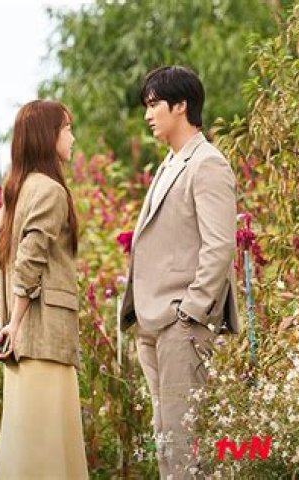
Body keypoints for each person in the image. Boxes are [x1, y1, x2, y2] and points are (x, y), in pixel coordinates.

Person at [119, 66, 238, 479]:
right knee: (166, 439)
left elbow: (219, 245)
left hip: (180, 324)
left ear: (181, 105)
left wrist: (191, 312)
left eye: (154, 104)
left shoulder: (208, 164)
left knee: (185, 443)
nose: (147, 114)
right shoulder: (169, 164)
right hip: (152, 322)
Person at [0, 99, 89, 479]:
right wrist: (14, 324)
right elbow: (30, 260)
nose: (72, 138)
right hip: (43, 338)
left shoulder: (15, 192)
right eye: (67, 129)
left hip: (21, 343)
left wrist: (3, 323)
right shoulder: (49, 190)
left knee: (26, 452)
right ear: (48, 136)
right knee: (48, 454)